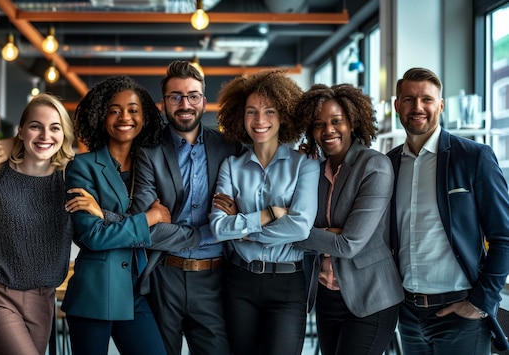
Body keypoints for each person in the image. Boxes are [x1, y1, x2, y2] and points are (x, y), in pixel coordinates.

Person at [387, 67, 509, 354]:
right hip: (408, 314)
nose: (418, 107)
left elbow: (504, 236)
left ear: (440, 105)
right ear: (397, 106)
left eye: (427, 99)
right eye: (408, 99)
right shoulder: (388, 164)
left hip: (460, 313)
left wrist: (481, 303)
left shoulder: (474, 157)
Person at [130, 60, 244, 355]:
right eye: (175, 96)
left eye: (193, 95)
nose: (185, 104)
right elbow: (146, 230)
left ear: (204, 101)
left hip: (216, 280)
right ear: (164, 102)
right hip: (163, 277)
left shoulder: (229, 147)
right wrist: (212, 232)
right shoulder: (148, 153)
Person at [208, 69, 319, 355]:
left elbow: (300, 227)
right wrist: (269, 213)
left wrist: (244, 231)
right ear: (240, 116)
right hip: (240, 283)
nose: (260, 121)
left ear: (283, 115)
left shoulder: (304, 165)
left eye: (269, 111)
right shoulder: (231, 167)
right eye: (251, 112)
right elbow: (219, 228)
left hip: (287, 284)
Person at [62, 76, 171, 355]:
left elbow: (166, 225)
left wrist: (105, 215)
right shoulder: (82, 167)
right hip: (94, 295)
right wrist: (148, 218)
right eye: (115, 110)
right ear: (101, 117)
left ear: (144, 117)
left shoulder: (151, 167)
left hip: (137, 294)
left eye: (133, 110)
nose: (125, 117)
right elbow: (94, 236)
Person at [294, 84, 403, 355]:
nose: (328, 130)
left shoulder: (374, 165)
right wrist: (297, 168)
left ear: (352, 122)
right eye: (319, 124)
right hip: (327, 296)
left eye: (336, 121)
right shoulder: (315, 170)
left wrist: (294, 231)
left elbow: (348, 244)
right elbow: (305, 222)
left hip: (370, 298)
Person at [0, 93, 76, 354]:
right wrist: (6, 143)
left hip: (42, 300)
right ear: (21, 130)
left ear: (63, 134)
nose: (45, 135)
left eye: (54, 128)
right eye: (35, 126)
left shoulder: (70, 180)